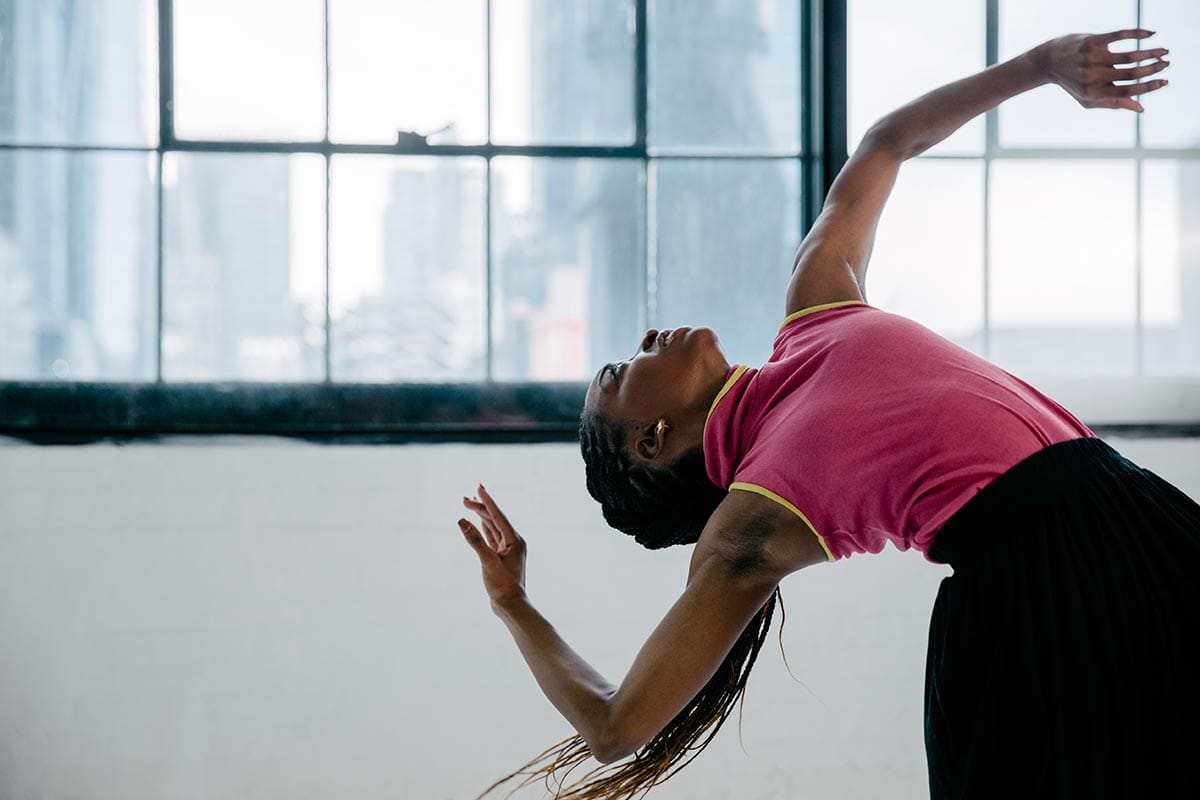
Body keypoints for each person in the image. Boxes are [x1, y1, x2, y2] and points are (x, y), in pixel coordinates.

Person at [456, 28, 1196, 800]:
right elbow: (615, 728)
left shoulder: (816, 308)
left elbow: (889, 140)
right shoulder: (752, 520)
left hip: (1133, 513)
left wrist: (1040, 68)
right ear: (651, 438)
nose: (643, 339)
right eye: (621, 370)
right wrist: (515, 604)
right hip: (1032, 604)